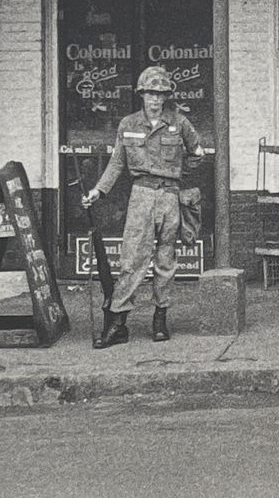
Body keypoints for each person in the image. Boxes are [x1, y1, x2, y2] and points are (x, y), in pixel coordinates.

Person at [82, 65, 205, 347]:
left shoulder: (179, 123)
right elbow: (116, 163)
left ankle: (160, 319)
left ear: (167, 96)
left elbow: (198, 153)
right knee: (131, 260)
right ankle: (118, 323)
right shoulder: (128, 124)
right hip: (141, 195)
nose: (155, 99)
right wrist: (98, 191)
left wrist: (179, 170)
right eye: (150, 93)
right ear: (142, 95)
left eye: (161, 94)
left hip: (169, 197)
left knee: (165, 261)